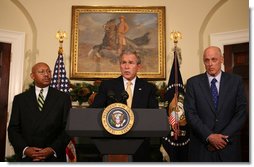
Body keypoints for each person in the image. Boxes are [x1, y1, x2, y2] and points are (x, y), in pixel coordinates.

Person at [91, 49, 159, 161]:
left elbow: (153, 115)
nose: (126, 67)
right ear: (120, 65)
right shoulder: (108, 86)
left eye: (131, 63)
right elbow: (94, 111)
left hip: (139, 144)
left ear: (138, 67)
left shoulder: (148, 88)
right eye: (123, 62)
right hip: (112, 143)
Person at [184, 46, 247, 162]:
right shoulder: (193, 83)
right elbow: (190, 114)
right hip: (202, 149)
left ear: (222, 59)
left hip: (228, 148)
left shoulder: (236, 81)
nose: (210, 64)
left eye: (214, 59)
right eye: (206, 60)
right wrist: (210, 136)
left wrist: (222, 138)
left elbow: (241, 113)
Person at [8, 62, 71, 162]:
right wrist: (25, 149)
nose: (46, 74)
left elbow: (68, 128)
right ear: (32, 76)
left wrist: (52, 149)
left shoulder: (63, 98)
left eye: (48, 71)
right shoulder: (20, 99)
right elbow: (13, 129)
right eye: (41, 72)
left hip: (53, 158)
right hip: (27, 158)